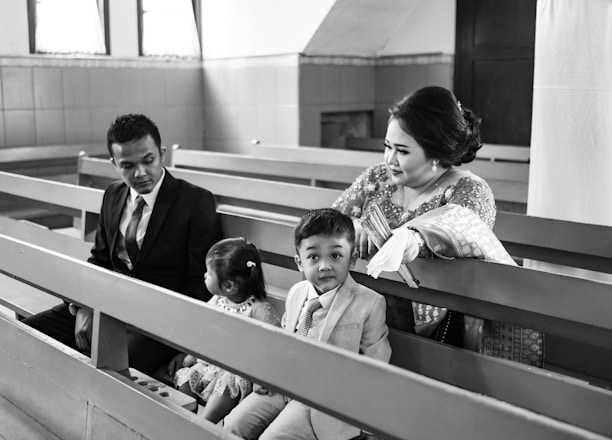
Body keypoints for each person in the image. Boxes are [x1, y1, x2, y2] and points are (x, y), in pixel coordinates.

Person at [332, 86, 543, 367]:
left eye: (402, 151)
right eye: (387, 146)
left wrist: (413, 239)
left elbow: (462, 231)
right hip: (360, 309)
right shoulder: (377, 177)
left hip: (431, 324)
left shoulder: (469, 189)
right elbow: (329, 222)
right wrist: (352, 226)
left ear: (435, 153)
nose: (389, 160)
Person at [22, 113, 223, 375]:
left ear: (161, 153)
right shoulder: (114, 195)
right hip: (110, 304)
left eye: (148, 160)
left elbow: (202, 286)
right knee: (28, 334)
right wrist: (83, 306)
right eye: (127, 165)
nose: (140, 173)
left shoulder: (195, 202)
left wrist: (188, 346)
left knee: (111, 368)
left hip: (162, 322)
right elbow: (100, 260)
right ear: (114, 163)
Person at [223, 208, 391, 440]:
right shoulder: (297, 292)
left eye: (335, 256)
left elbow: (376, 366)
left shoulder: (369, 303)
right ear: (299, 262)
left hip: (324, 402)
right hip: (284, 385)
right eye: (313, 257)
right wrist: (268, 375)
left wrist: (372, 430)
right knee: (233, 425)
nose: (324, 266)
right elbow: (282, 343)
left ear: (351, 259)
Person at [173, 237, 281, 423]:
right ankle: (186, 419)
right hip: (211, 363)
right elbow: (204, 329)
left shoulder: (259, 309)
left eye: (209, 273)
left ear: (229, 285)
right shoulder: (218, 301)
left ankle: (204, 425)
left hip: (239, 371)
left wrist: (262, 377)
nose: (204, 275)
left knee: (224, 391)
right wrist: (191, 354)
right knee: (185, 382)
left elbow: (273, 348)